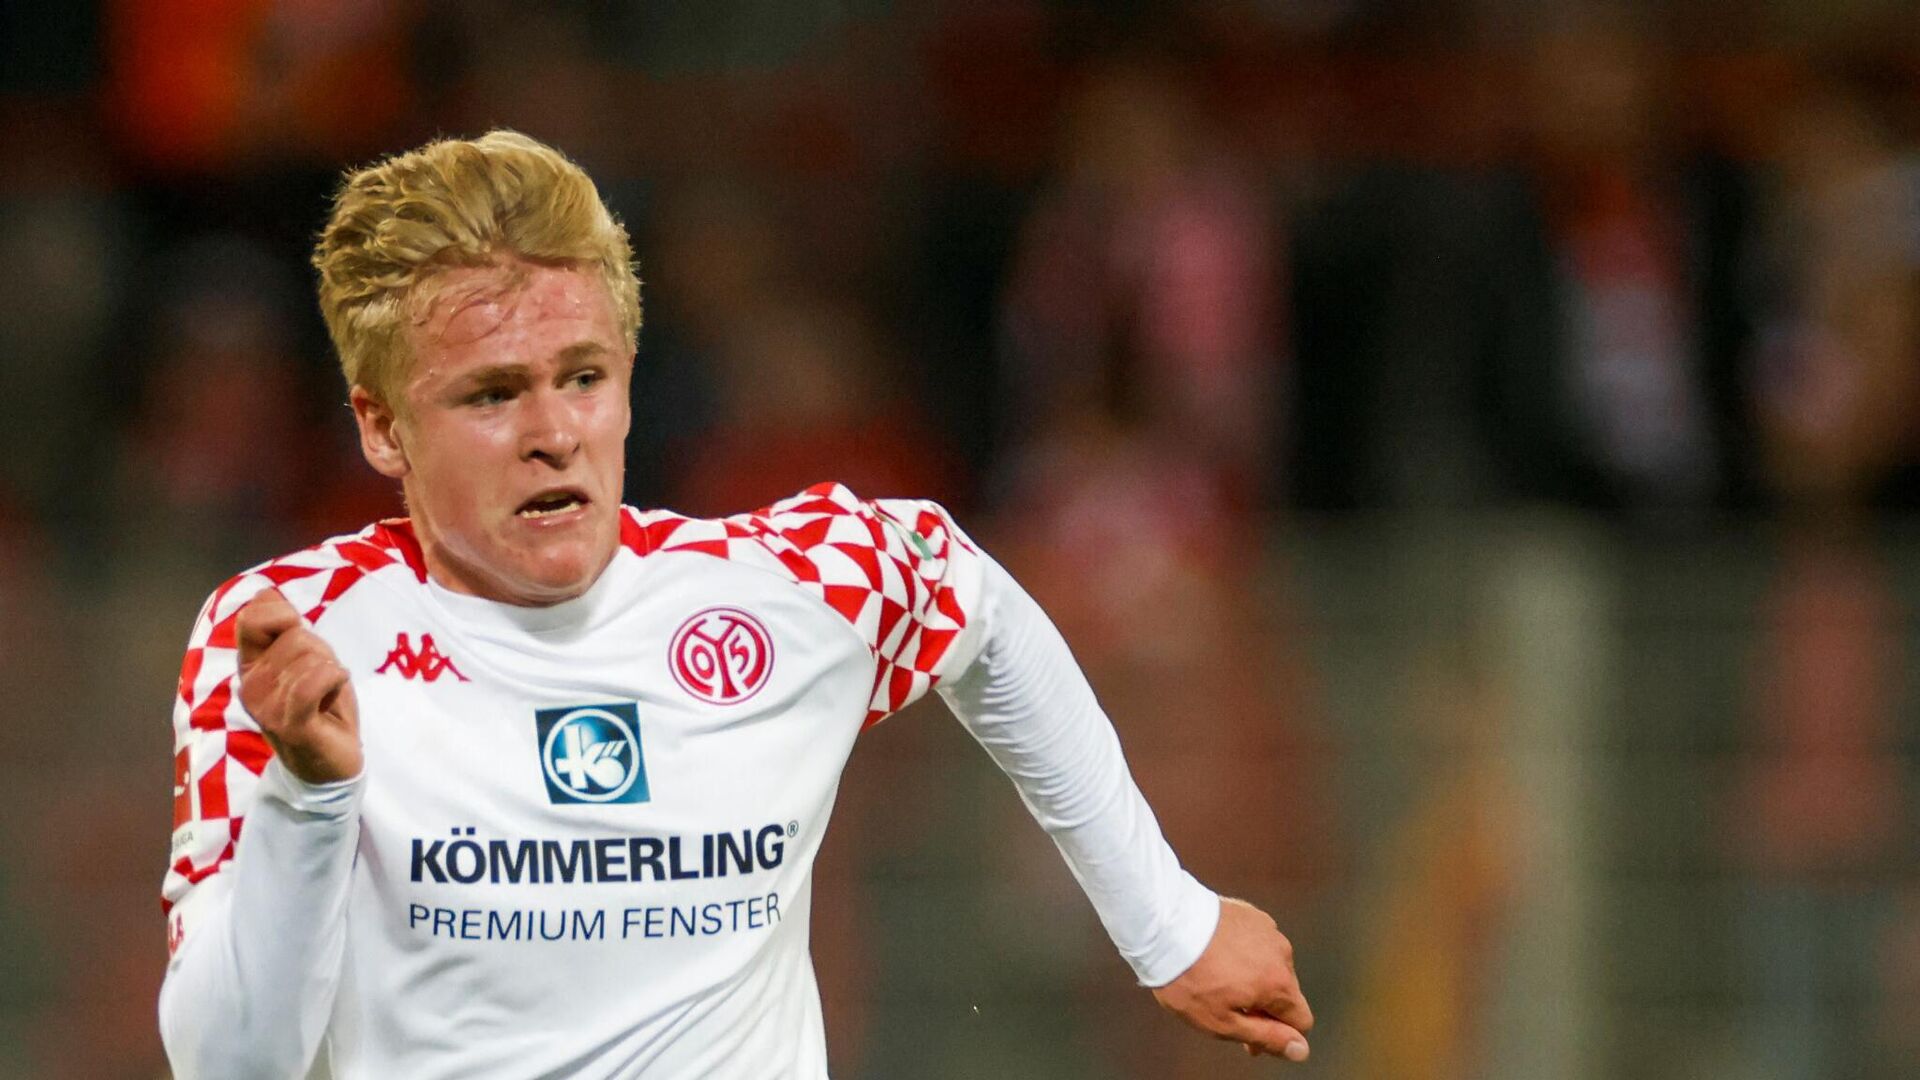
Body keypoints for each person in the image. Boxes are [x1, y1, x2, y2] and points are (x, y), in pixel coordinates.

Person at [157, 130, 1312, 1078]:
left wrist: (1170, 922)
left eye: (583, 378)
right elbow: (228, 1065)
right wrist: (310, 800)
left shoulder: (787, 587)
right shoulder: (291, 639)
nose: (554, 432)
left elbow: (977, 606)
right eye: (492, 394)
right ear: (379, 425)